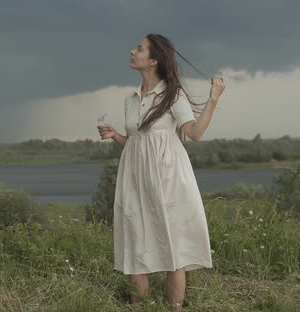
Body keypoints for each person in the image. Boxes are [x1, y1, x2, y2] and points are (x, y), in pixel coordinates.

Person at [96, 33, 226, 311]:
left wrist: (213, 99)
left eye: (139, 48)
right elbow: (136, 144)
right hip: (134, 181)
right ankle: (138, 307)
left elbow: (195, 133)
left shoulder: (173, 94)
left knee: (173, 247)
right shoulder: (131, 99)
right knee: (135, 247)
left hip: (168, 181)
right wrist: (116, 135)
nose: (132, 51)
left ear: (154, 60)